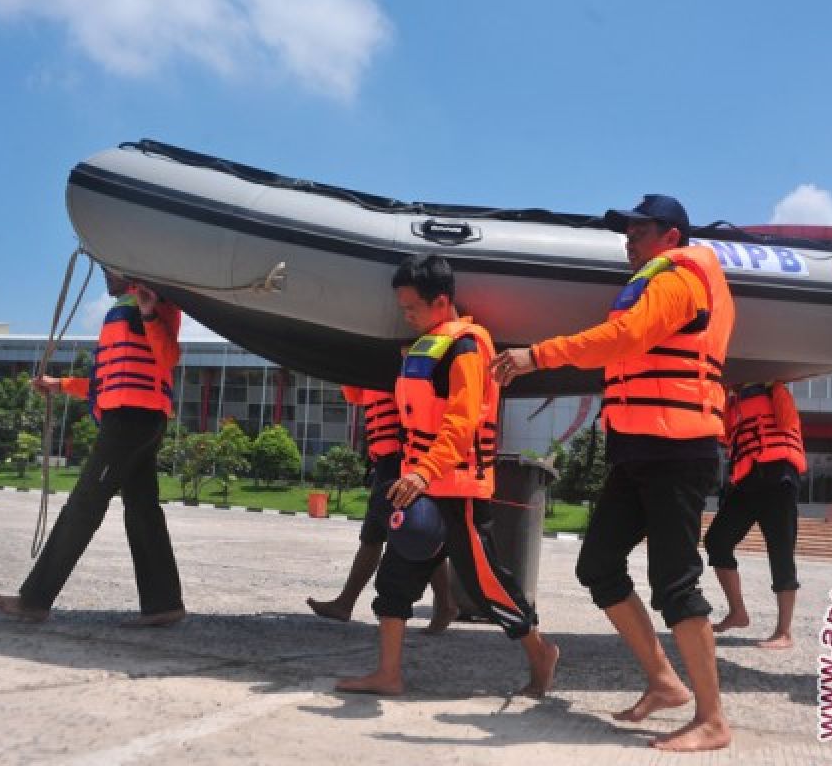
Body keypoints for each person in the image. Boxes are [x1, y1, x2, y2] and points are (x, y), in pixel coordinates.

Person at [493, 194, 733, 752]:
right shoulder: (653, 280)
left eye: (640, 229)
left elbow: (626, 339)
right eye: (627, 230)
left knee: (675, 584)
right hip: (640, 450)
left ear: (671, 235)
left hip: (679, 450)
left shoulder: (678, 279)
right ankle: (664, 681)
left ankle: (714, 719)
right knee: (598, 565)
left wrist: (539, 355)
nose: (629, 238)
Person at [336, 254, 558, 697]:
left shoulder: (467, 347)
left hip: (458, 487)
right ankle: (389, 674)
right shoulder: (426, 347)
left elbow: (463, 422)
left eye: (412, 308)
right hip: (420, 482)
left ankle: (539, 652)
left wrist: (423, 473)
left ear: (441, 301)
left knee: (486, 581)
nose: (407, 315)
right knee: (396, 575)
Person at [0, 268, 185, 627]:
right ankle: (163, 604)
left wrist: (149, 313)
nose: (105, 277)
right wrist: (60, 384)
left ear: (126, 268)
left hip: (133, 418)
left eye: (109, 269)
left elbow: (169, 358)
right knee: (142, 509)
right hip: (131, 418)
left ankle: (34, 599)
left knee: (84, 504)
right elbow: (104, 381)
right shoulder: (120, 311)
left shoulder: (158, 303)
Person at [307, 385, 458, 633]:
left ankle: (444, 603)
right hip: (384, 460)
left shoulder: (395, 367)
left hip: (403, 459)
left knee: (400, 535)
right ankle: (444, 604)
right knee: (387, 535)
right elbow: (353, 395)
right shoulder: (368, 372)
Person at [704, 382, 806, 649]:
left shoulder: (774, 390)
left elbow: (788, 420)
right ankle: (738, 613)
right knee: (717, 541)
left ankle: (784, 632)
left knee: (781, 552)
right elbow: (725, 437)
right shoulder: (732, 403)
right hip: (748, 481)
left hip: (779, 478)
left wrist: (777, 387)